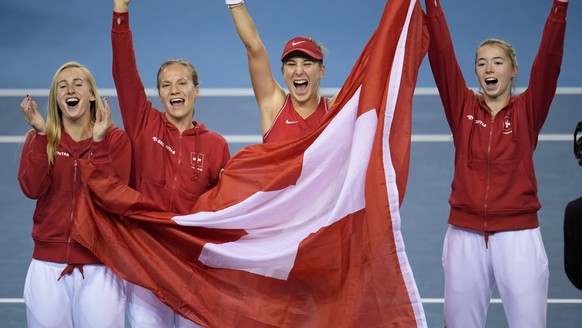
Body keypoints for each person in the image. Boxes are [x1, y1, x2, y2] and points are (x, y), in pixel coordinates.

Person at [424, 0, 568, 327]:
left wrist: (559, 7)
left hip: (518, 236)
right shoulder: (462, 109)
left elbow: (548, 61)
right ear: (475, 71)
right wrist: (430, 5)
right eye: (482, 63)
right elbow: (443, 57)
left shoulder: (527, 111)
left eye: (498, 62)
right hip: (464, 236)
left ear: (512, 70)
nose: (489, 69)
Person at [112, 0, 231, 326]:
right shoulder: (142, 123)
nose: (174, 89)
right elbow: (124, 72)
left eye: (182, 83)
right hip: (147, 262)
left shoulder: (216, 145)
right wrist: (120, 13)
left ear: (195, 90)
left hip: (191, 270)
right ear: (160, 95)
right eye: (166, 84)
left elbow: (224, 209)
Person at [17, 61, 132, 328]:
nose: (71, 89)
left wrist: (99, 145)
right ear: (56, 98)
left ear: (92, 94)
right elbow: (31, 189)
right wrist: (42, 135)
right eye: (62, 85)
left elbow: (113, 199)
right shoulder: (41, 139)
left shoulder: (115, 141)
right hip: (47, 266)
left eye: (78, 84)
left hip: (101, 266)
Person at [226, 0, 336, 143]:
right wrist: (235, 2)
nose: (298, 71)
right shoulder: (274, 107)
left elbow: (370, 76)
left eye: (307, 63)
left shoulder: (335, 110)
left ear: (321, 71)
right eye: (291, 64)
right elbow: (254, 49)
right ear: (283, 72)